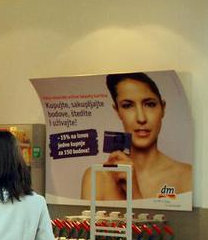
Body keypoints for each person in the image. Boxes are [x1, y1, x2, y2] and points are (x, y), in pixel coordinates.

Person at [81, 72, 193, 200]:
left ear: (163, 108)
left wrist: (134, 192)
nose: (141, 118)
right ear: (117, 111)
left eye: (150, 104)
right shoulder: (97, 178)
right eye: (127, 106)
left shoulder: (186, 176)